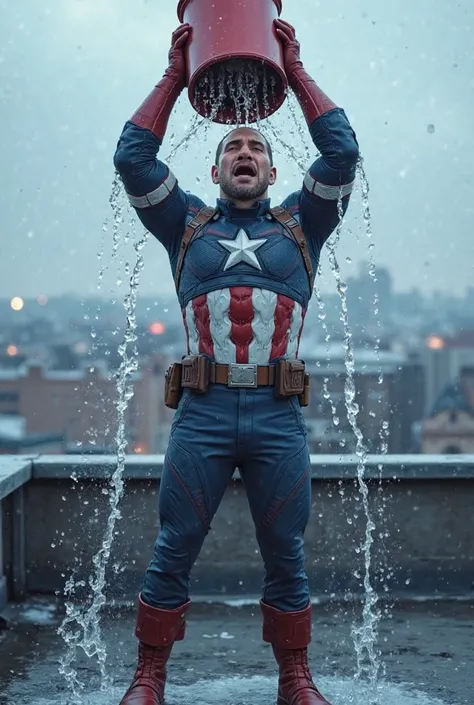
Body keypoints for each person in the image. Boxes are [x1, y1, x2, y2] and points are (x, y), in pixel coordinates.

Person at [113, 17, 359, 705]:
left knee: (288, 551)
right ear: (217, 169)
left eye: (255, 146)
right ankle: (149, 674)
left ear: (273, 170)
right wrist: (174, 71)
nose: (245, 153)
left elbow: (341, 153)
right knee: (175, 543)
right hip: (204, 413)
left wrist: (296, 69)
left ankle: (296, 676)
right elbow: (133, 157)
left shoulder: (301, 224)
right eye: (233, 148)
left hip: (279, 415)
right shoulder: (186, 223)